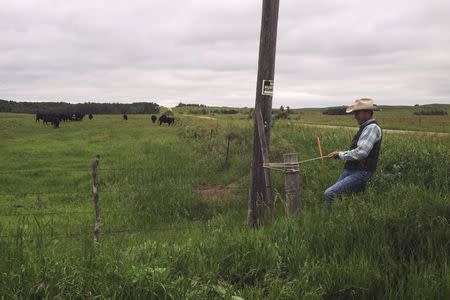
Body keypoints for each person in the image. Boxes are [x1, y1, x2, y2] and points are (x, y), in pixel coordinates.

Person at [324, 98, 382, 208]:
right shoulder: (366, 127)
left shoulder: (371, 128)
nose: (354, 116)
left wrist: (340, 155)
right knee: (341, 197)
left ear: (368, 113)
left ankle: (328, 221)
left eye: (357, 113)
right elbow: (359, 150)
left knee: (330, 194)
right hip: (353, 170)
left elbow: (361, 153)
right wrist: (339, 153)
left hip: (361, 172)